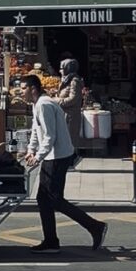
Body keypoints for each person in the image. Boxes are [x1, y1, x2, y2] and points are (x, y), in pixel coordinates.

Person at [23, 75, 108, 254]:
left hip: (57, 157)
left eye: (23, 88)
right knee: (44, 199)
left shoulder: (45, 105)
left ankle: (95, 227)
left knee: (53, 199)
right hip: (52, 157)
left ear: (33, 89)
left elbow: (49, 136)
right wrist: (31, 150)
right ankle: (51, 241)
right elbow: (36, 131)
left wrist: (38, 156)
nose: (21, 92)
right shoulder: (37, 104)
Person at [55, 58, 84, 148]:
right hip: (64, 114)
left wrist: (57, 100)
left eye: (62, 68)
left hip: (70, 116)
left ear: (68, 69)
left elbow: (73, 99)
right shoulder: (66, 80)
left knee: (70, 142)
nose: (60, 71)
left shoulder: (74, 81)